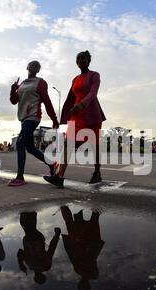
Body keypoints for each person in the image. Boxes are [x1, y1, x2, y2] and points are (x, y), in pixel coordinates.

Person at [44, 51, 106, 188]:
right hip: (76, 116)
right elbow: (71, 97)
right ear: (76, 62)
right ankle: (59, 176)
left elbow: (93, 93)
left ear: (89, 61)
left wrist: (82, 104)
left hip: (91, 115)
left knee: (94, 146)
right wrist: (66, 114)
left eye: (83, 58)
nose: (81, 60)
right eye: (78, 58)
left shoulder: (95, 75)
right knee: (68, 144)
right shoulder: (75, 79)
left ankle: (97, 172)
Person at [8, 61, 59, 187]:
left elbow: (46, 101)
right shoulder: (22, 84)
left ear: (38, 70)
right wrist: (13, 90)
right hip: (23, 118)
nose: (33, 67)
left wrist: (54, 118)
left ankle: (20, 177)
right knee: (30, 147)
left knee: (20, 143)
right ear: (27, 67)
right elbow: (14, 101)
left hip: (33, 116)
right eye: (32, 65)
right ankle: (52, 164)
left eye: (36, 66)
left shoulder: (40, 82)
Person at [60, 206, 104, 290]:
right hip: (80, 245)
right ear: (80, 283)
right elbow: (71, 254)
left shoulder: (93, 275)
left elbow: (73, 256)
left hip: (92, 246)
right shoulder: (79, 271)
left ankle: (98, 202)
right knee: (72, 223)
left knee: (93, 221)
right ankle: (64, 206)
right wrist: (68, 243)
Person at [16, 212, 61, 284]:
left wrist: (57, 235)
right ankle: (30, 212)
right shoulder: (30, 264)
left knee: (30, 227)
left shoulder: (45, 266)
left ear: (43, 275)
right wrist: (21, 264)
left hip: (38, 240)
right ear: (35, 276)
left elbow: (51, 250)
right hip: (31, 240)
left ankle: (31, 212)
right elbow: (20, 252)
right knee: (28, 227)